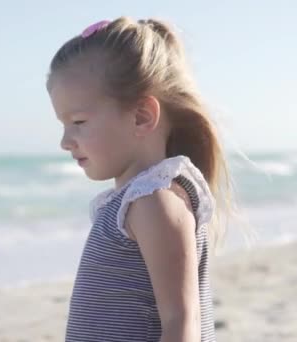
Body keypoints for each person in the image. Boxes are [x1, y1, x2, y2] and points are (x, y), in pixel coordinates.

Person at [46, 17, 234, 341]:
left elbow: (181, 323)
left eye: (78, 121)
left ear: (141, 116)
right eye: (63, 124)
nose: (65, 141)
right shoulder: (131, 202)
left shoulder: (155, 201)